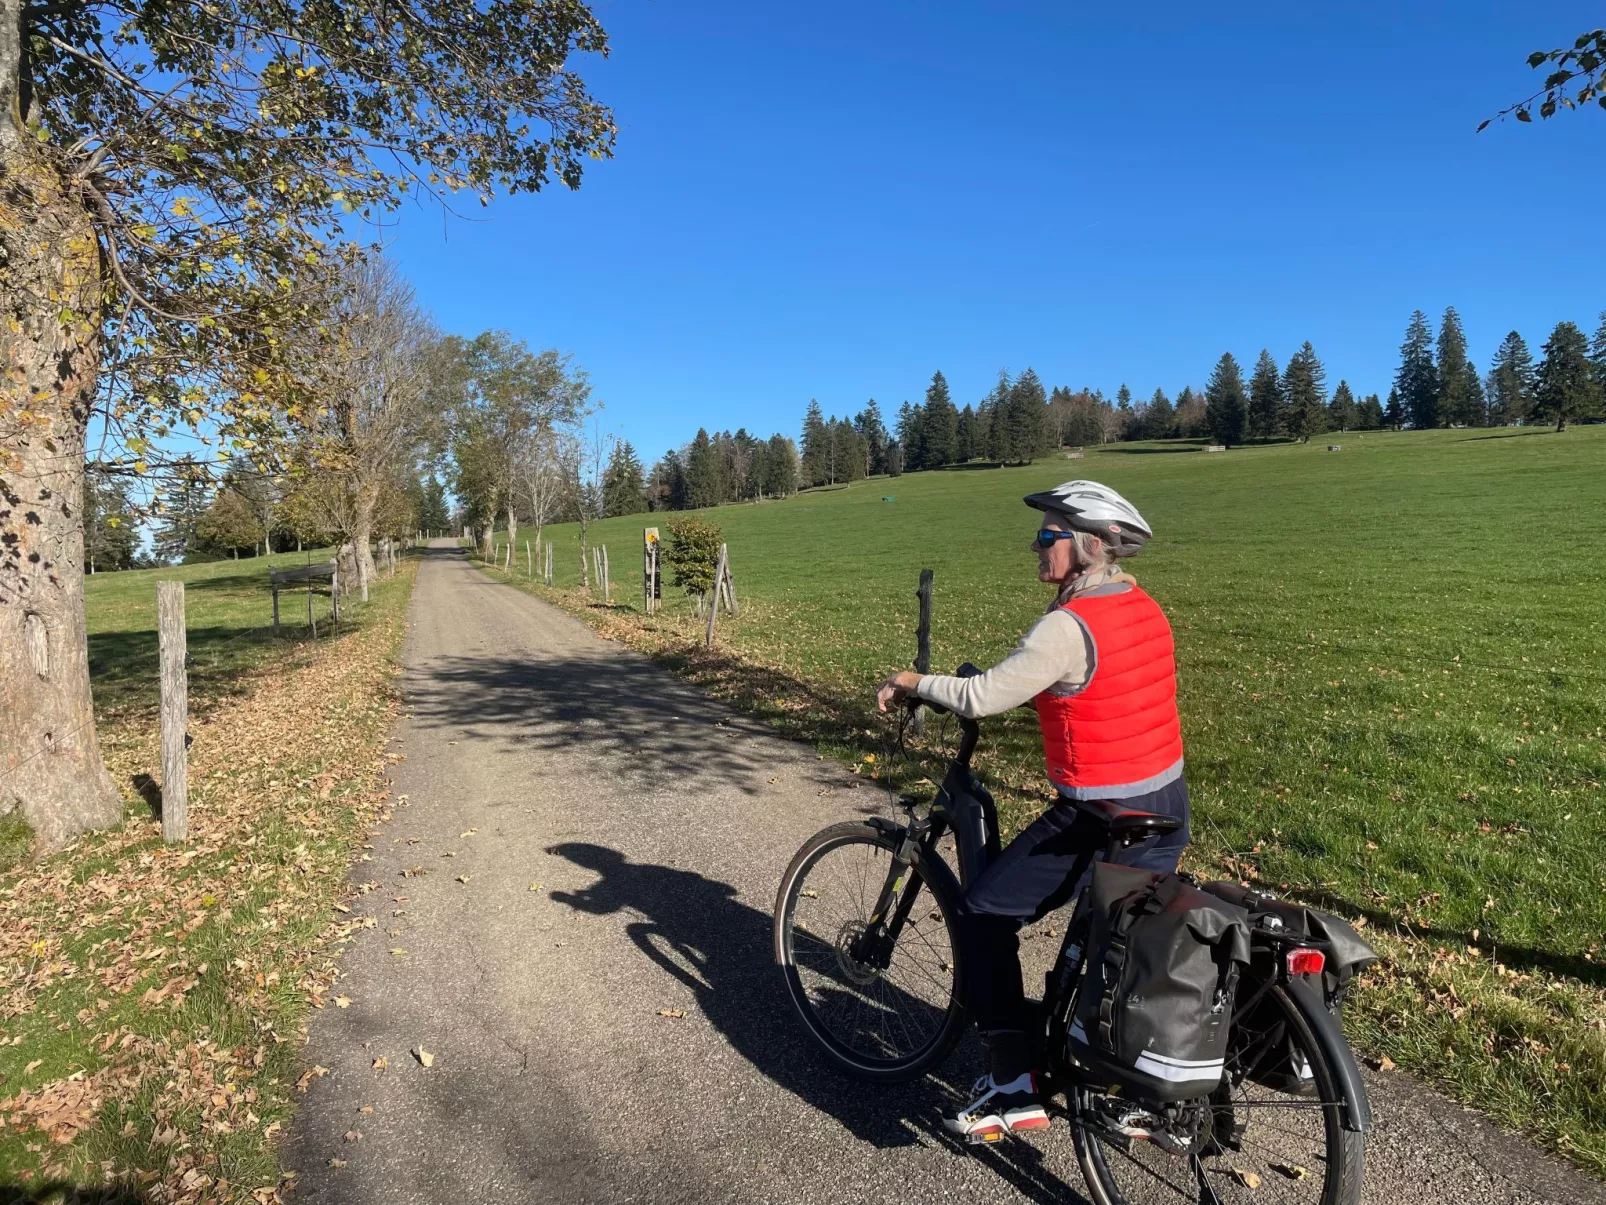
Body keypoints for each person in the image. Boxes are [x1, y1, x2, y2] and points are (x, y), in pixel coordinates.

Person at [875, 480, 1189, 1143]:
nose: (1035, 545)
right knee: (1117, 948)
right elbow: (1109, 691)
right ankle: (1128, 1078)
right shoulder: (1143, 606)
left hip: (1100, 818)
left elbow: (986, 694)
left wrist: (912, 682)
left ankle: (1013, 1085)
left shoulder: (1067, 626)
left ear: (1087, 546)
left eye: (1048, 536)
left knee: (983, 909)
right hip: (1165, 809)